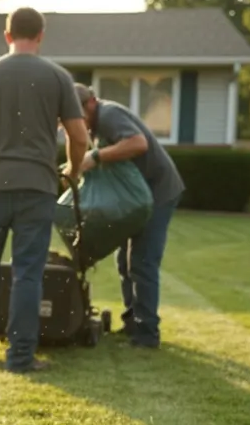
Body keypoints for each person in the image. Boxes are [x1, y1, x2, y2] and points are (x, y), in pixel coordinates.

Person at [0, 7, 91, 373]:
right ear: (41, 36)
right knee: (28, 272)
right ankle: (20, 356)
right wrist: (73, 171)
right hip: (38, 187)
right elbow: (79, 136)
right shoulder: (58, 77)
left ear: (7, 35)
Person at [73, 83, 184, 349]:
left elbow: (138, 143)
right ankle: (132, 323)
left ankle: (147, 335)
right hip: (134, 197)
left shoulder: (109, 114)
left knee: (142, 262)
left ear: (90, 104)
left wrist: (96, 156)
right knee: (124, 261)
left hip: (157, 193)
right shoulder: (97, 122)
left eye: (77, 117)